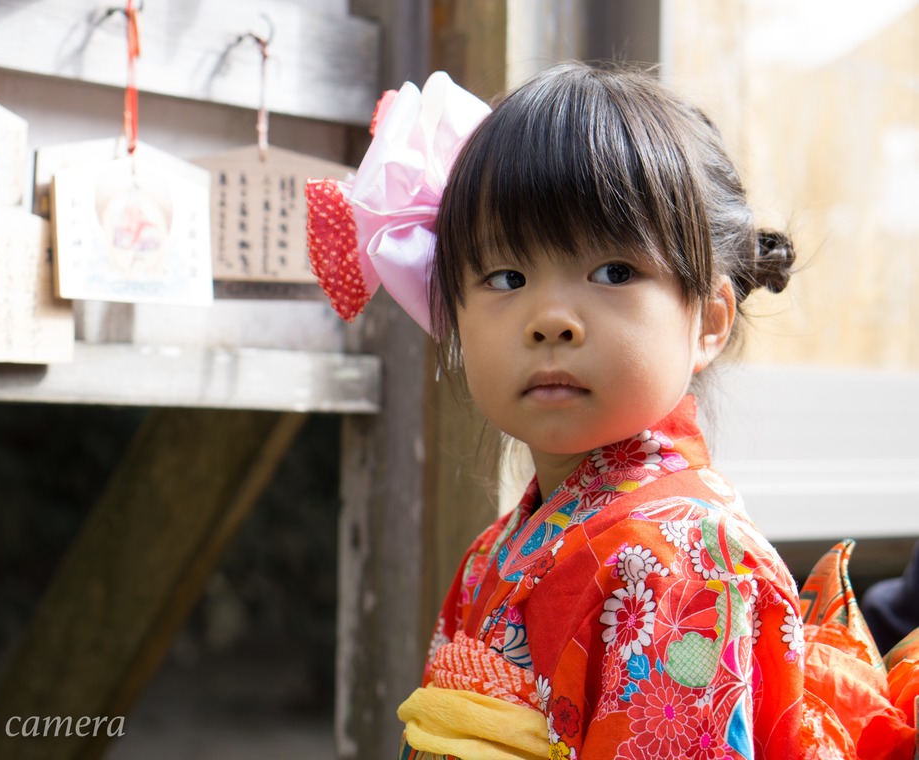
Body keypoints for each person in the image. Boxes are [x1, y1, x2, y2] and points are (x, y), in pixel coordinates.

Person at [306, 62, 918, 760]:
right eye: (506, 277)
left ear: (709, 319)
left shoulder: (685, 561)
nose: (551, 319)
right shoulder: (493, 553)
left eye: (613, 273)